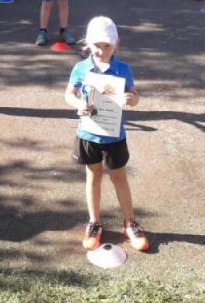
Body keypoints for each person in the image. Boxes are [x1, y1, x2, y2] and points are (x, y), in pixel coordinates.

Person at [64, 16, 150, 252]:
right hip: (88, 134)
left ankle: (130, 223)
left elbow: (135, 96)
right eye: (96, 45)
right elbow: (69, 94)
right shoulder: (80, 68)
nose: (101, 51)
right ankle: (94, 223)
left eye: (107, 46)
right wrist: (78, 104)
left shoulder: (123, 69)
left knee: (119, 177)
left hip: (114, 135)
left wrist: (132, 99)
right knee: (93, 176)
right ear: (87, 43)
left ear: (116, 44)